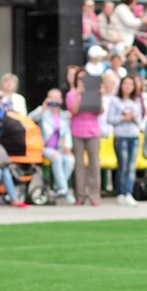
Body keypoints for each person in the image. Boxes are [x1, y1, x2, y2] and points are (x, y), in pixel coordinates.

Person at [29, 88, 75, 204]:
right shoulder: (44, 113)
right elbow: (28, 119)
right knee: (57, 157)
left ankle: (57, 188)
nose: (54, 100)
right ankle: (65, 190)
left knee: (70, 160)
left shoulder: (65, 116)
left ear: (61, 100)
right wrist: (42, 108)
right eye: (51, 97)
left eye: (56, 98)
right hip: (44, 147)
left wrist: (68, 148)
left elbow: (67, 133)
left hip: (60, 148)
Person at [107, 76, 144, 206]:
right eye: (125, 83)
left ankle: (128, 192)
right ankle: (120, 193)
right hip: (120, 136)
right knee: (122, 165)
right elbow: (110, 119)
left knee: (131, 166)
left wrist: (133, 118)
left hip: (133, 136)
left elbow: (140, 121)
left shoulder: (136, 102)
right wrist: (123, 118)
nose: (128, 86)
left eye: (130, 84)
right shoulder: (115, 101)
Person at [66, 68, 101, 206]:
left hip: (93, 131)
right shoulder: (71, 94)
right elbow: (73, 110)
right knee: (79, 164)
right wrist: (78, 94)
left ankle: (94, 195)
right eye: (79, 78)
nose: (81, 81)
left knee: (94, 164)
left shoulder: (94, 93)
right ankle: (80, 195)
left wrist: (99, 96)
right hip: (77, 131)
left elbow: (100, 111)